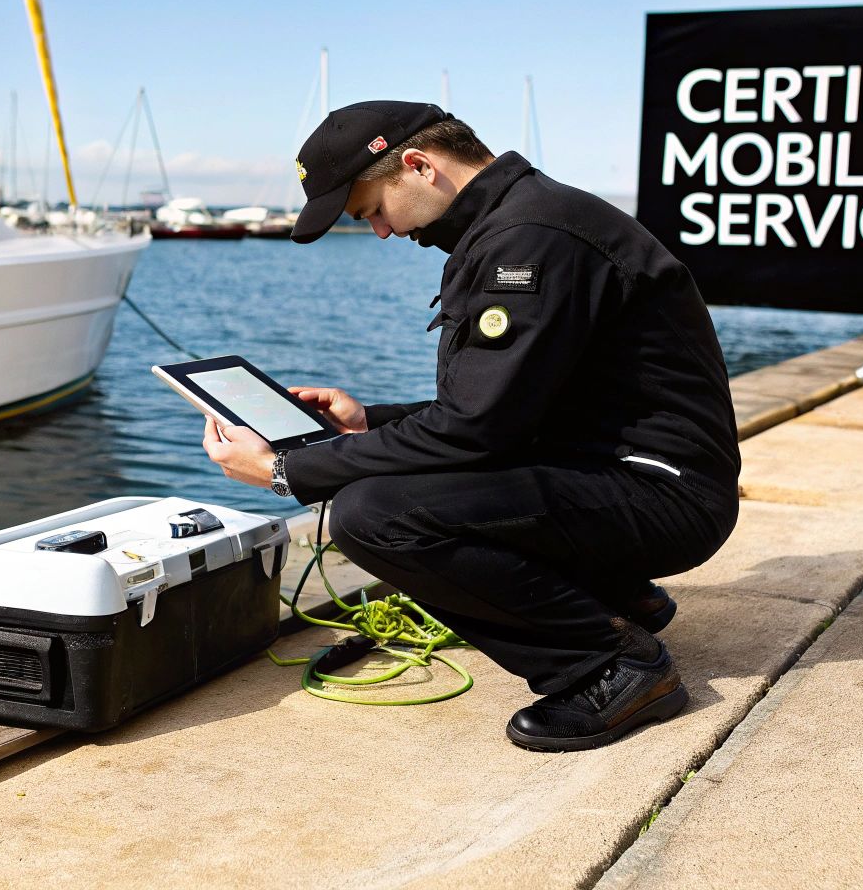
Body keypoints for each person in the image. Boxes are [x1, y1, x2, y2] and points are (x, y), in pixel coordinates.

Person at [201, 100, 740, 751]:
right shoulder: (520, 221)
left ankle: (610, 663)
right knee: (406, 486)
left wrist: (285, 471)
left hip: (663, 496)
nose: (378, 231)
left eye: (371, 209)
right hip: (623, 474)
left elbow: (477, 432)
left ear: (418, 165)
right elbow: (500, 407)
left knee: (372, 514)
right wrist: (369, 420)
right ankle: (616, 597)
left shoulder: (529, 240)